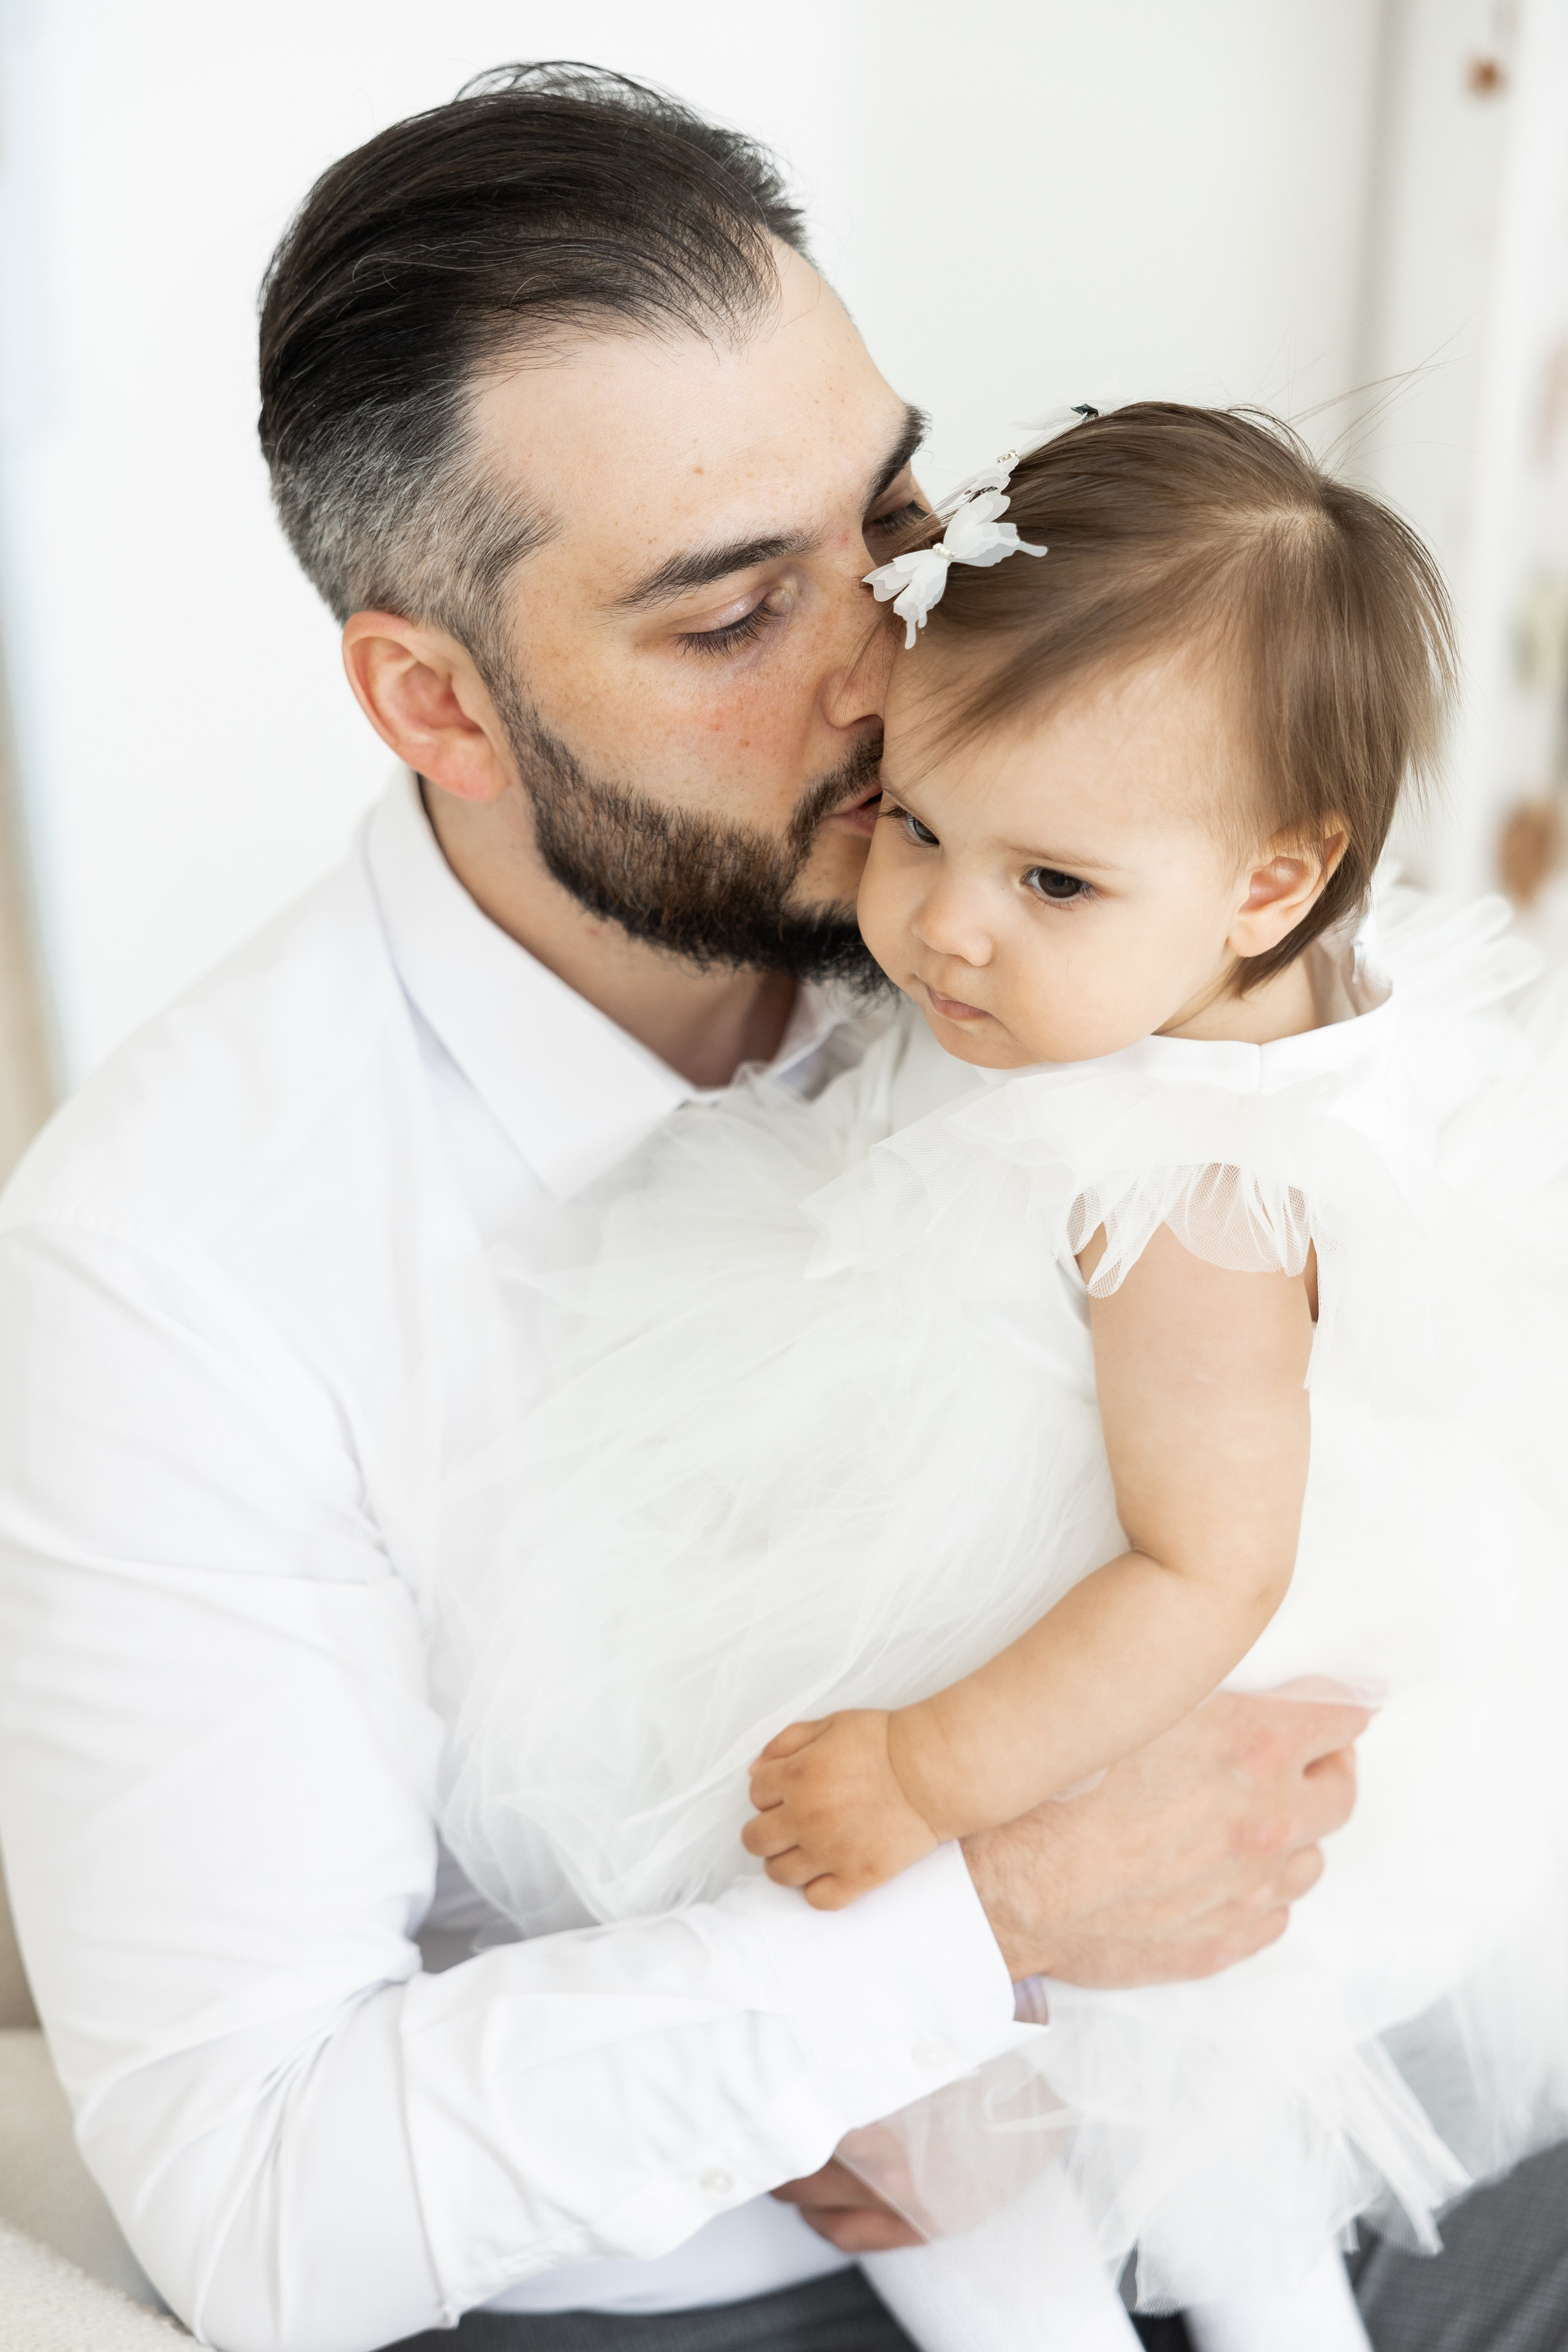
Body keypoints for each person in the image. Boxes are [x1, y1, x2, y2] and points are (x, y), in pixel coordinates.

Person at [0, 58, 1551, 2352]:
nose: (888, 677)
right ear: (438, 703)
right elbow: (261, 2201)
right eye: (734, 618)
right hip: (760, 2274)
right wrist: (983, 1922)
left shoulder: (1042, 891)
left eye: (900, 522)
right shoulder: (173, 1263)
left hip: (1301, 2097)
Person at [435, 406, 1568, 2352]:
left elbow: (1208, 1565)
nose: (944, 925)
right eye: (917, 821)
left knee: (939, 2123)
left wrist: (924, 1772)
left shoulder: (1194, 1191)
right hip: (1042, 1547)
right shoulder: (1205, 975)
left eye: (1051, 884)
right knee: (1169, 2150)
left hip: (1088, 1675)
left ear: (1271, 886)